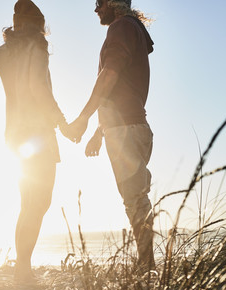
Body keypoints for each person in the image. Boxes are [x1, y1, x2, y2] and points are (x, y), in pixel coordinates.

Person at [67, 0, 156, 272]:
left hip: (126, 130)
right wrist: (99, 131)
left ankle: (147, 269)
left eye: (99, 2)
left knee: (135, 201)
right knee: (136, 199)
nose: (96, 9)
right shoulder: (133, 28)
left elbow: (110, 76)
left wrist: (83, 118)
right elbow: (121, 90)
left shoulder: (121, 27)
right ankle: (147, 266)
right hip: (131, 127)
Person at [0, 0, 69, 282]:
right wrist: (62, 122)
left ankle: (22, 266)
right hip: (38, 133)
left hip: (14, 133)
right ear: (37, 26)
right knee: (41, 201)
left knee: (28, 202)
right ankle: (23, 269)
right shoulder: (38, 46)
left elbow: (2, 57)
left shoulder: (0, 54)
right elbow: (37, 86)